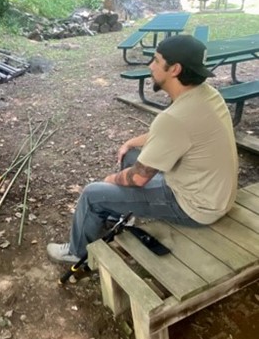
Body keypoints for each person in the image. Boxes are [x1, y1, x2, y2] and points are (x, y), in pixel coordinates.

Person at [47, 35, 238, 263]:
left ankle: (77, 253)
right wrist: (132, 142)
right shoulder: (206, 95)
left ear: (174, 69)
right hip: (213, 191)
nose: (150, 66)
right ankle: (119, 215)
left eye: (156, 60)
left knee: (92, 194)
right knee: (132, 155)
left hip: (196, 206)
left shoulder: (174, 118)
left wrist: (111, 179)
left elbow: (138, 178)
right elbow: (176, 135)